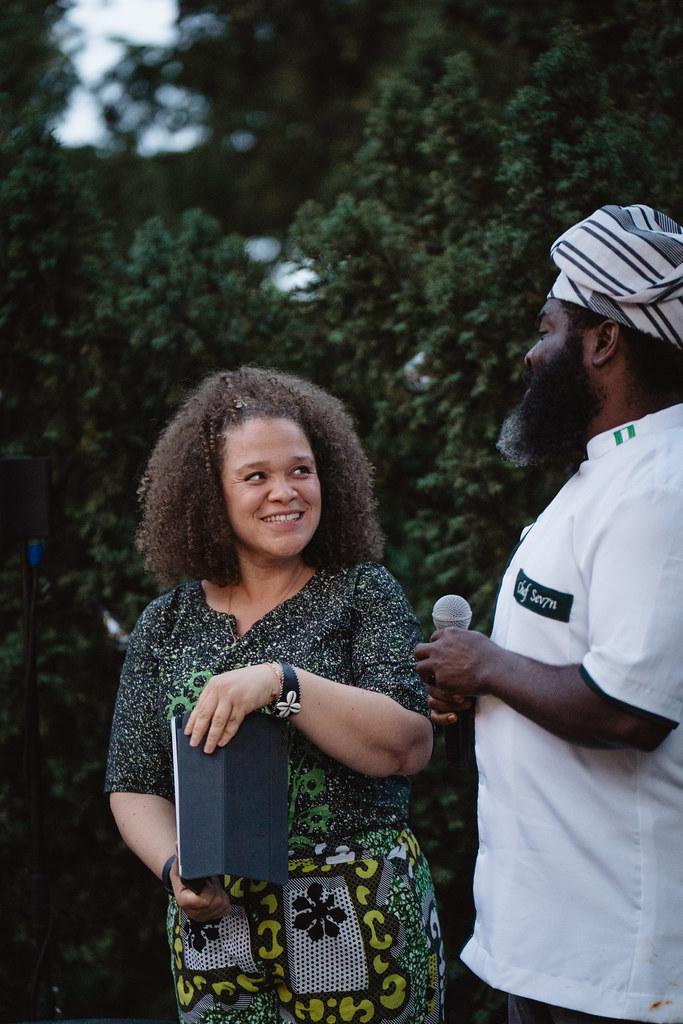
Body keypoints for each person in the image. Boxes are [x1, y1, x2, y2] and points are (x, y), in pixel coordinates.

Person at [106, 367, 445, 1024]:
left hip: (356, 915)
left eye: (301, 471)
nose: (285, 492)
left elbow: (408, 746)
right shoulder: (166, 622)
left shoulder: (362, 593)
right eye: (256, 476)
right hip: (216, 934)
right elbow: (133, 782)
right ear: (210, 494)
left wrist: (282, 684)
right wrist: (174, 868)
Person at [416, 204, 683, 1024]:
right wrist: (486, 683)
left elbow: (630, 710)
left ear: (602, 341)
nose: (531, 354)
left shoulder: (659, 490)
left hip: (618, 962)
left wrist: (486, 664)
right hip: (551, 941)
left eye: (546, 327)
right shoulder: (605, 475)